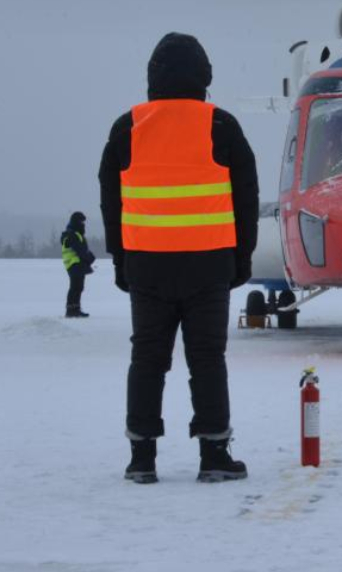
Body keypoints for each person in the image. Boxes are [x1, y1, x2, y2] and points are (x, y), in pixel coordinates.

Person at [99, 32, 259, 484]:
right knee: (207, 358)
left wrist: (120, 260)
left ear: (152, 77)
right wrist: (241, 258)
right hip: (209, 263)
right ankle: (214, 454)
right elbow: (246, 197)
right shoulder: (221, 125)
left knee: (147, 359)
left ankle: (141, 458)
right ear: (204, 76)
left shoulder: (128, 127)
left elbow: (111, 200)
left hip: (147, 264)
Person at [60, 211, 95, 318]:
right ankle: (71, 310)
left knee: (78, 287)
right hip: (74, 263)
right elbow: (80, 250)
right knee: (76, 287)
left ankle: (75, 309)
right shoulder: (72, 235)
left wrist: (88, 257)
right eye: (81, 221)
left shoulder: (73, 234)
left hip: (75, 264)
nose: (83, 224)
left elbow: (82, 250)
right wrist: (90, 258)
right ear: (76, 222)